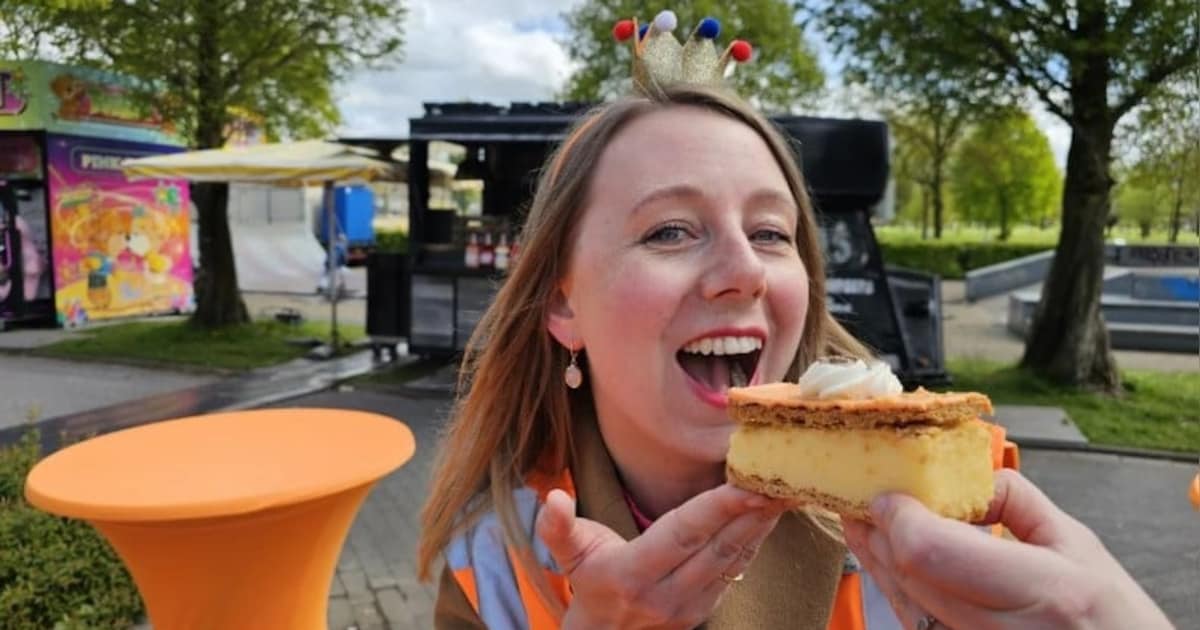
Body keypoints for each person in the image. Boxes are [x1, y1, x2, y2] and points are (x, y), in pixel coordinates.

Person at [416, 23, 1176, 630]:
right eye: (670, 231)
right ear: (562, 304)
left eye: (772, 233)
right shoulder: (493, 562)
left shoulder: (957, 507)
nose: (743, 270)